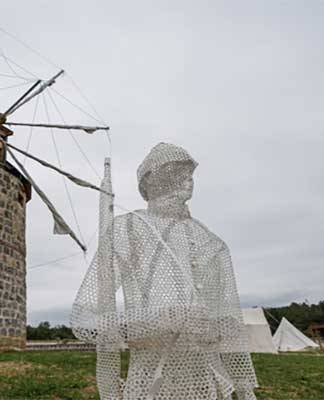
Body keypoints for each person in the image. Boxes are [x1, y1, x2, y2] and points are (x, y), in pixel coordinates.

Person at [72, 142, 258, 400]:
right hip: (150, 382)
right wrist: (151, 321)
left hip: (206, 383)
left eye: (189, 174)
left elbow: (232, 331)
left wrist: (243, 385)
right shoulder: (128, 229)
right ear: (151, 181)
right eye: (175, 173)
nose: (187, 181)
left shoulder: (211, 242)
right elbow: (84, 320)